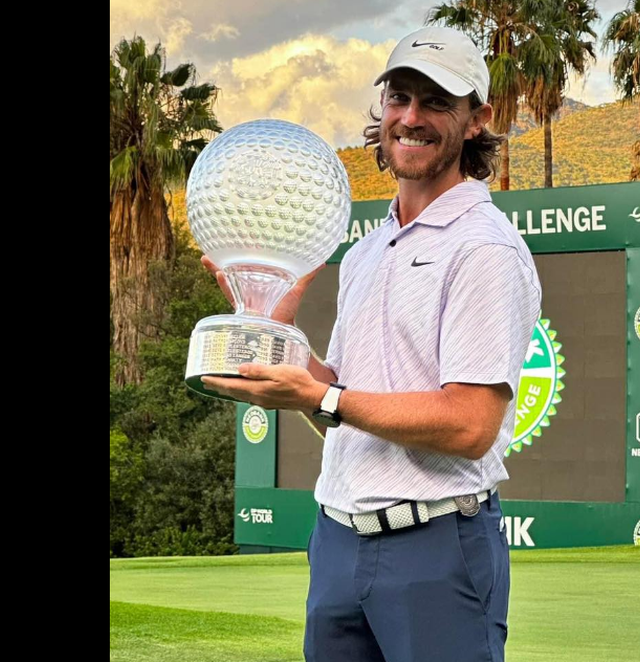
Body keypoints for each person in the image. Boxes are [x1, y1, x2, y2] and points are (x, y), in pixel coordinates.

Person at [201, 25, 542, 662]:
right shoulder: (366, 250)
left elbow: (470, 424)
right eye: (399, 97)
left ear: (477, 120)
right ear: (381, 109)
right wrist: (278, 338)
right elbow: (348, 410)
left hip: (438, 546)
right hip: (338, 542)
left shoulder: (485, 250)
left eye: (437, 101)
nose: (411, 118)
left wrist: (324, 396)